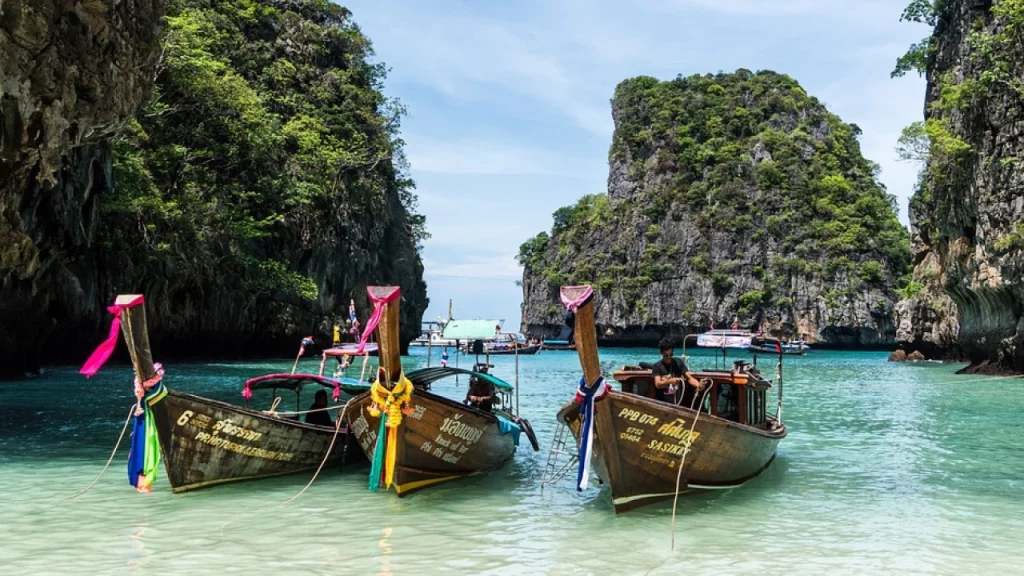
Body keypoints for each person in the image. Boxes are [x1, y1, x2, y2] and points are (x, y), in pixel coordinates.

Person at [650, 337, 704, 406]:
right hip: (663, 404)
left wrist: (698, 385)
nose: (669, 357)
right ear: (661, 353)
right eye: (666, 355)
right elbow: (658, 384)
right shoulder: (657, 366)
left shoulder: (679, 362)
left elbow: (689, 378)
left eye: (671, 354)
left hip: (677, 402)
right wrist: (670, 381)